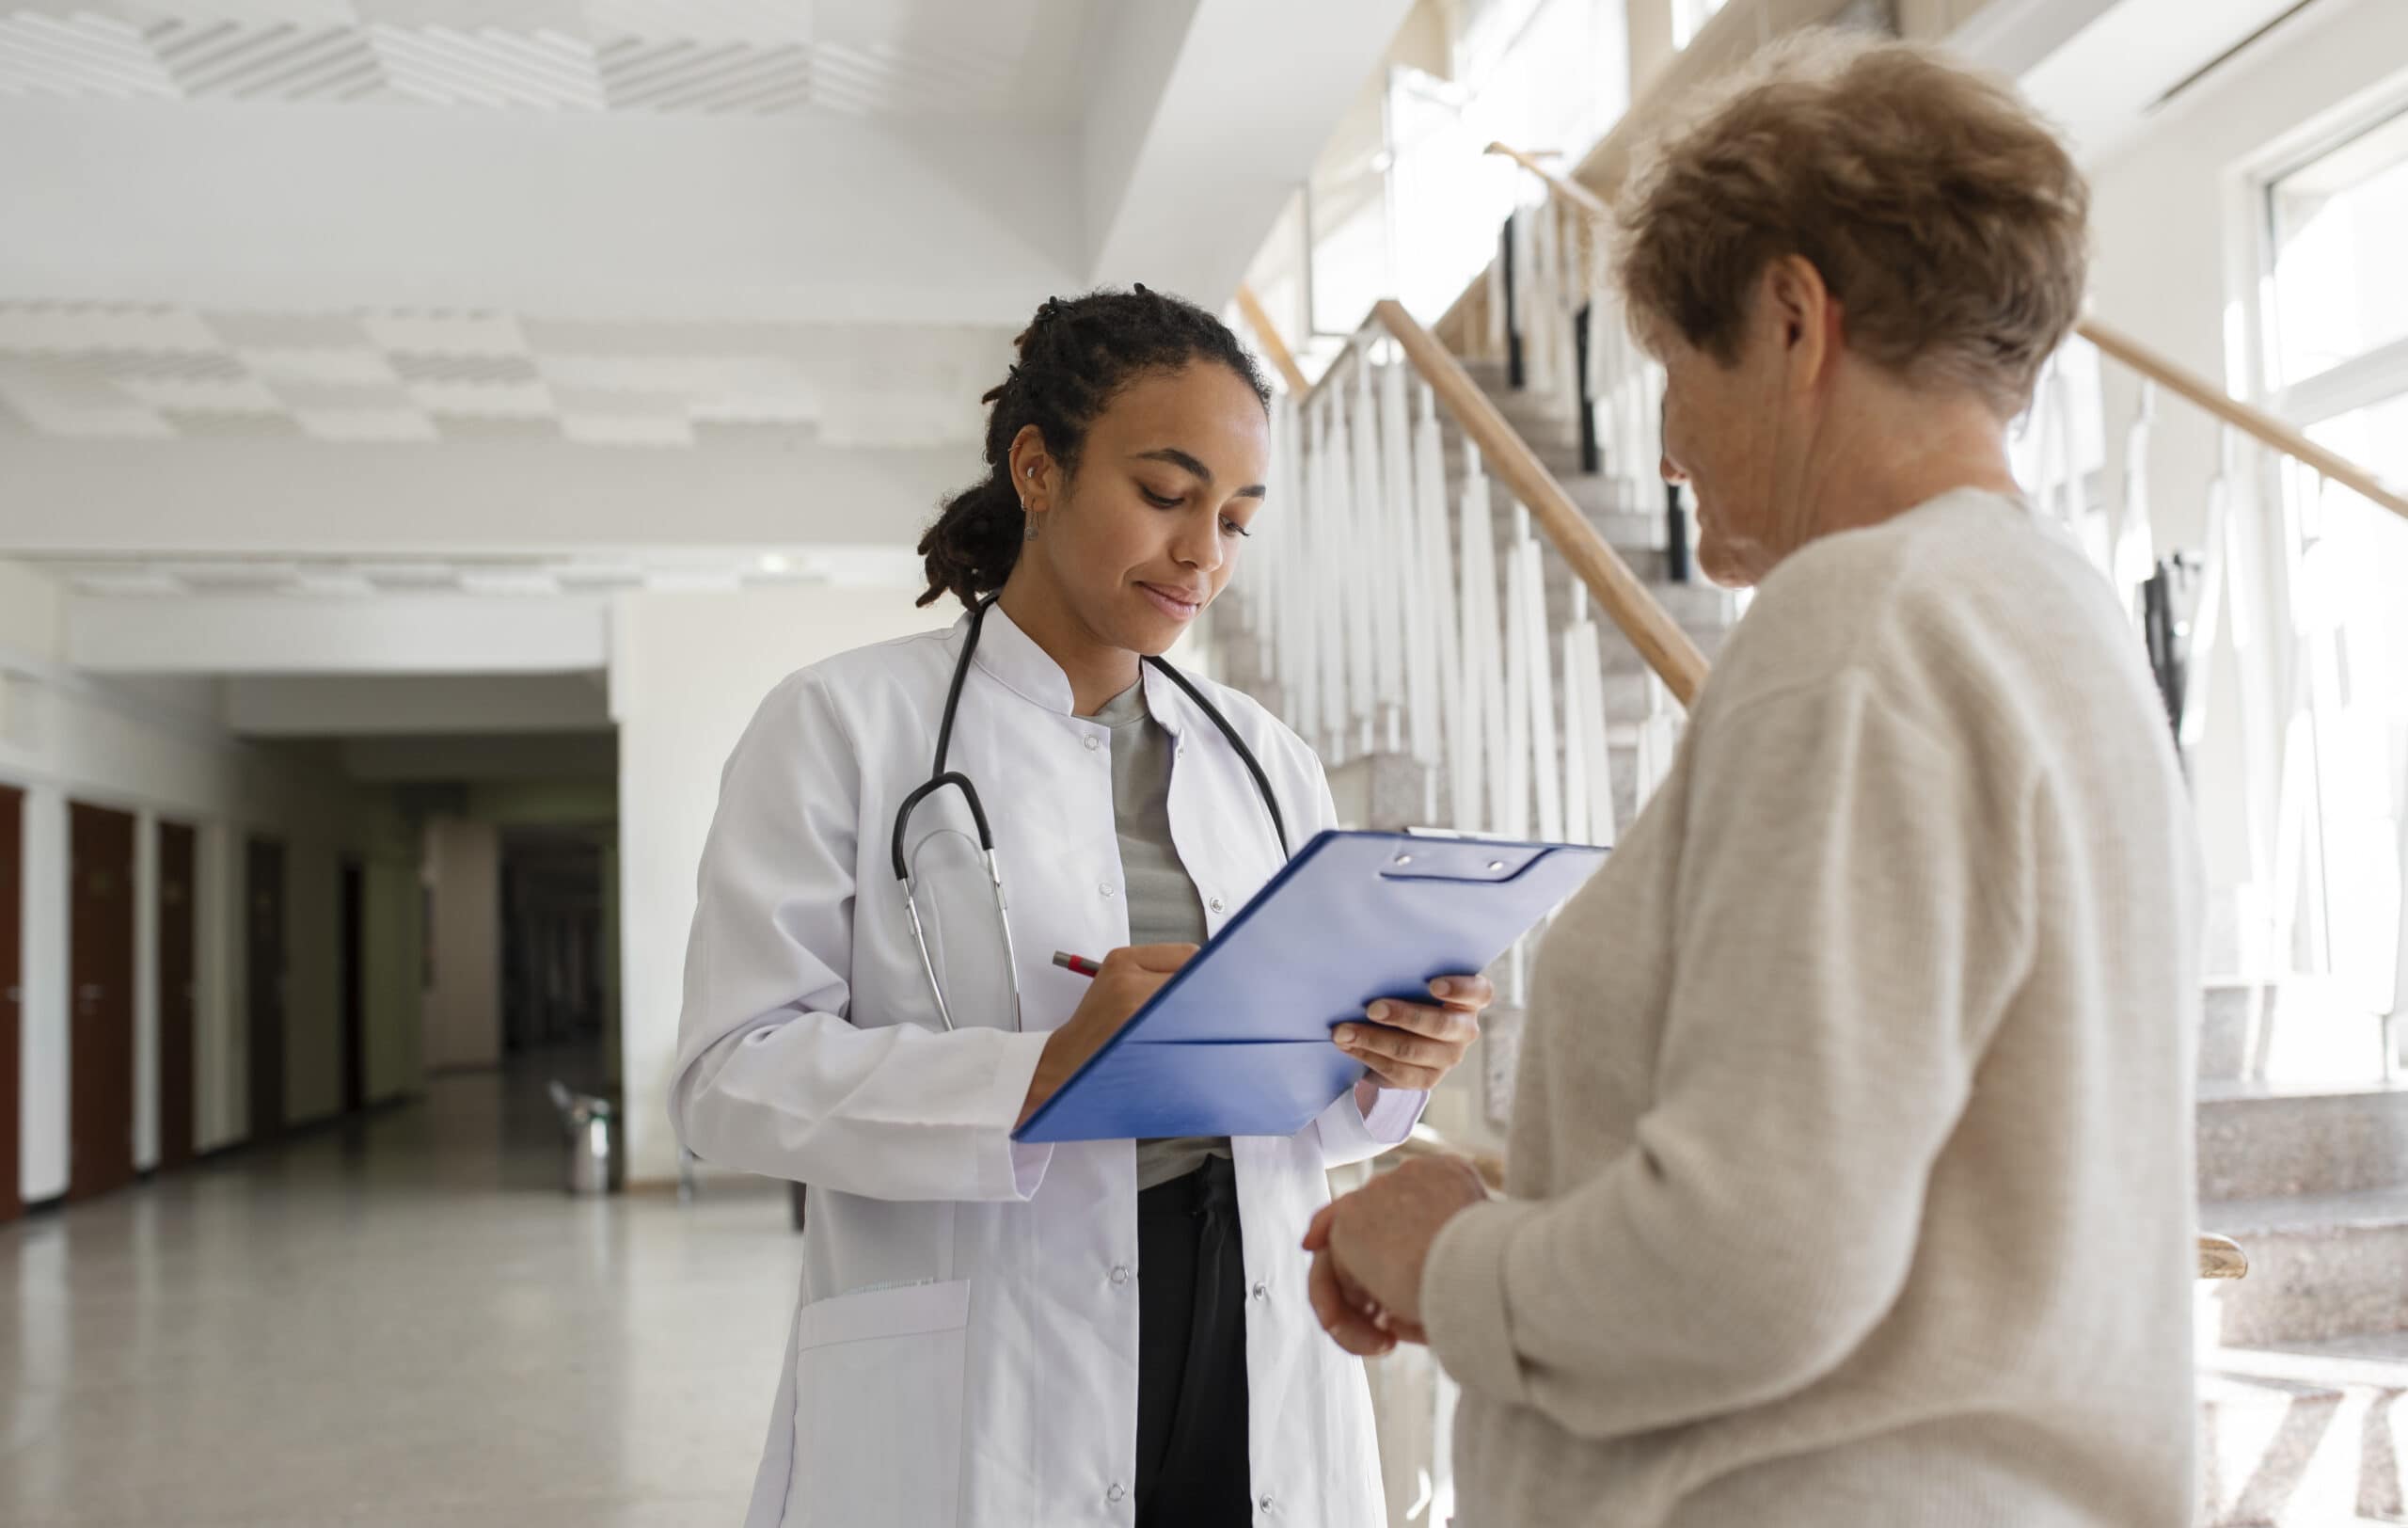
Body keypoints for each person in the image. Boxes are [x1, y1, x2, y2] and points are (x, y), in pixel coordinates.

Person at [1305, 36, 2204, 1528]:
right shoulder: (2059, 622)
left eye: (1677, 366)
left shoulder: (1865, 627)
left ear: (1793, 321)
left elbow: (1754, 1265)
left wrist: (1446, 1257)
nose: (1662, 446)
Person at [673, 285, 1490, 1528]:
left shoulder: (1270, 760)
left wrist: (1394, 1064)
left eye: (1234, 519)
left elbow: (1321, 1117)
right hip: (993, 1349)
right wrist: (1039, 1073)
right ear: (1040, 471)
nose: (1203, 551)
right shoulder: (842, 725)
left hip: (1253, 1321)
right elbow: (728, 1078)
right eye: (1166, 496)